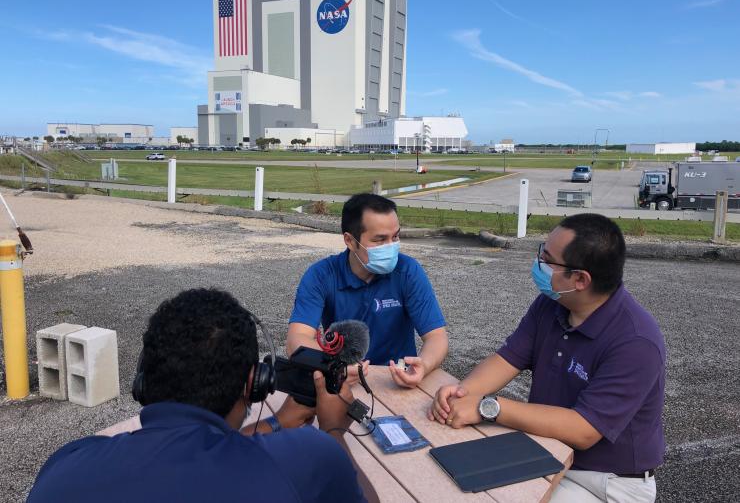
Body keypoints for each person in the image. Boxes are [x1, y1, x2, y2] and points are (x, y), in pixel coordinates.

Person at [28, 288, 377, 503]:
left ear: (143, 381)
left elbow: (189, 452)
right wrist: (334, 431)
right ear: (255, 383)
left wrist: (276, 422)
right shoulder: (310, 457)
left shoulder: (66, 463)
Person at [429, 214, 665, 503]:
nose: (538, 262)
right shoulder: (552, 303)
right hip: (545, 451)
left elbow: (583, 430)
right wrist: (463, 394)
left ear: (580, 279)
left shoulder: (636, 341)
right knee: (447, 476)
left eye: (548, 258)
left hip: (606, 481)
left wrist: (489, 407)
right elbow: (508, 358)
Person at [287, 193, 448, 388]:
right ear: (350, 240)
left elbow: (436, 337)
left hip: (396, 382)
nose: (391, 247)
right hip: (343, 380)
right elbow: (297, 341)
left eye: (395, 236)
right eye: (380, 240)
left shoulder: (407, 271)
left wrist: (424, 365)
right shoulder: (321, 275)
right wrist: (335, 367)